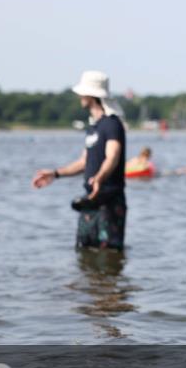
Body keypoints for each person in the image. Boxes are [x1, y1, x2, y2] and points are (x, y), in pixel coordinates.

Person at [32, 71, 127, 250]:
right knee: (84, 254)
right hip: (89, 202)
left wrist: (99, 177)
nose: (79, 96)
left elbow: (113, 156)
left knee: (109, 255)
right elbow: (84, 162)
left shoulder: (112, 124)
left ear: (91, 95)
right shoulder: (93, 127)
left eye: (82, 92)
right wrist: (55, 174)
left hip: (109, 202)